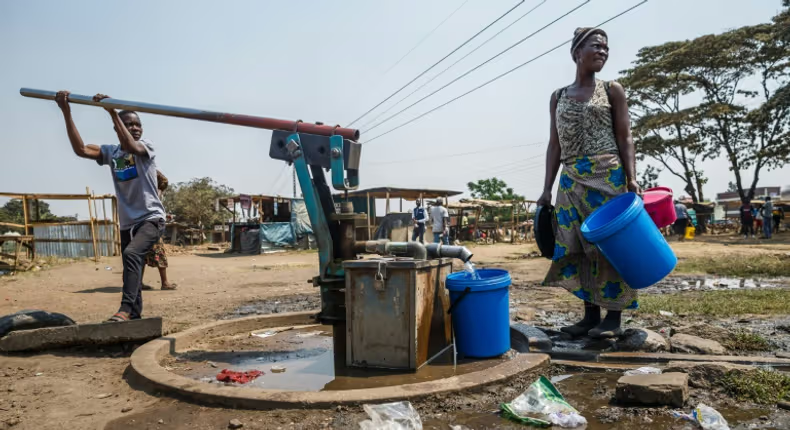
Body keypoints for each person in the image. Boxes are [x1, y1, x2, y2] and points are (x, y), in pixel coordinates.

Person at [537, 27, 642, 339]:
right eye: (596, 46)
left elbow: (626, 138)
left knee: (610, 247)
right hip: (571, 181)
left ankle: (614, 315)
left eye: (606, 48)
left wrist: (632, 178)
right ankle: (589, 315)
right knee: (576, 247)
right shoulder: (558, 97)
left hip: (607, 177)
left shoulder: (612, 90)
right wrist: (546, 188)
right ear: (577, 53)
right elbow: (554, 145)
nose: (602, 52)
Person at [55, 91, 165, 322]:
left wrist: (112, 111)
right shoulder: (112, 153)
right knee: (130, 265)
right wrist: (66, 111)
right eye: (128, 124)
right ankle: (134, 314)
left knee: (132, 253)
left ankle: (124, 309)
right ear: (117, 128)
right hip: (127, 221)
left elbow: (131, 146)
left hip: (151, 217)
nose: (134, 128)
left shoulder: (146, 146)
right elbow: (81, 149)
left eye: (137, 124)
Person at [142, 170, 177, 291]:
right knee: (159, 252)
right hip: (151, 225)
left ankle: (138, 283)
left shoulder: (142, 189)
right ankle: (165, 283)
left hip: (140, 224)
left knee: (141, 254)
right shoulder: (155, 191)